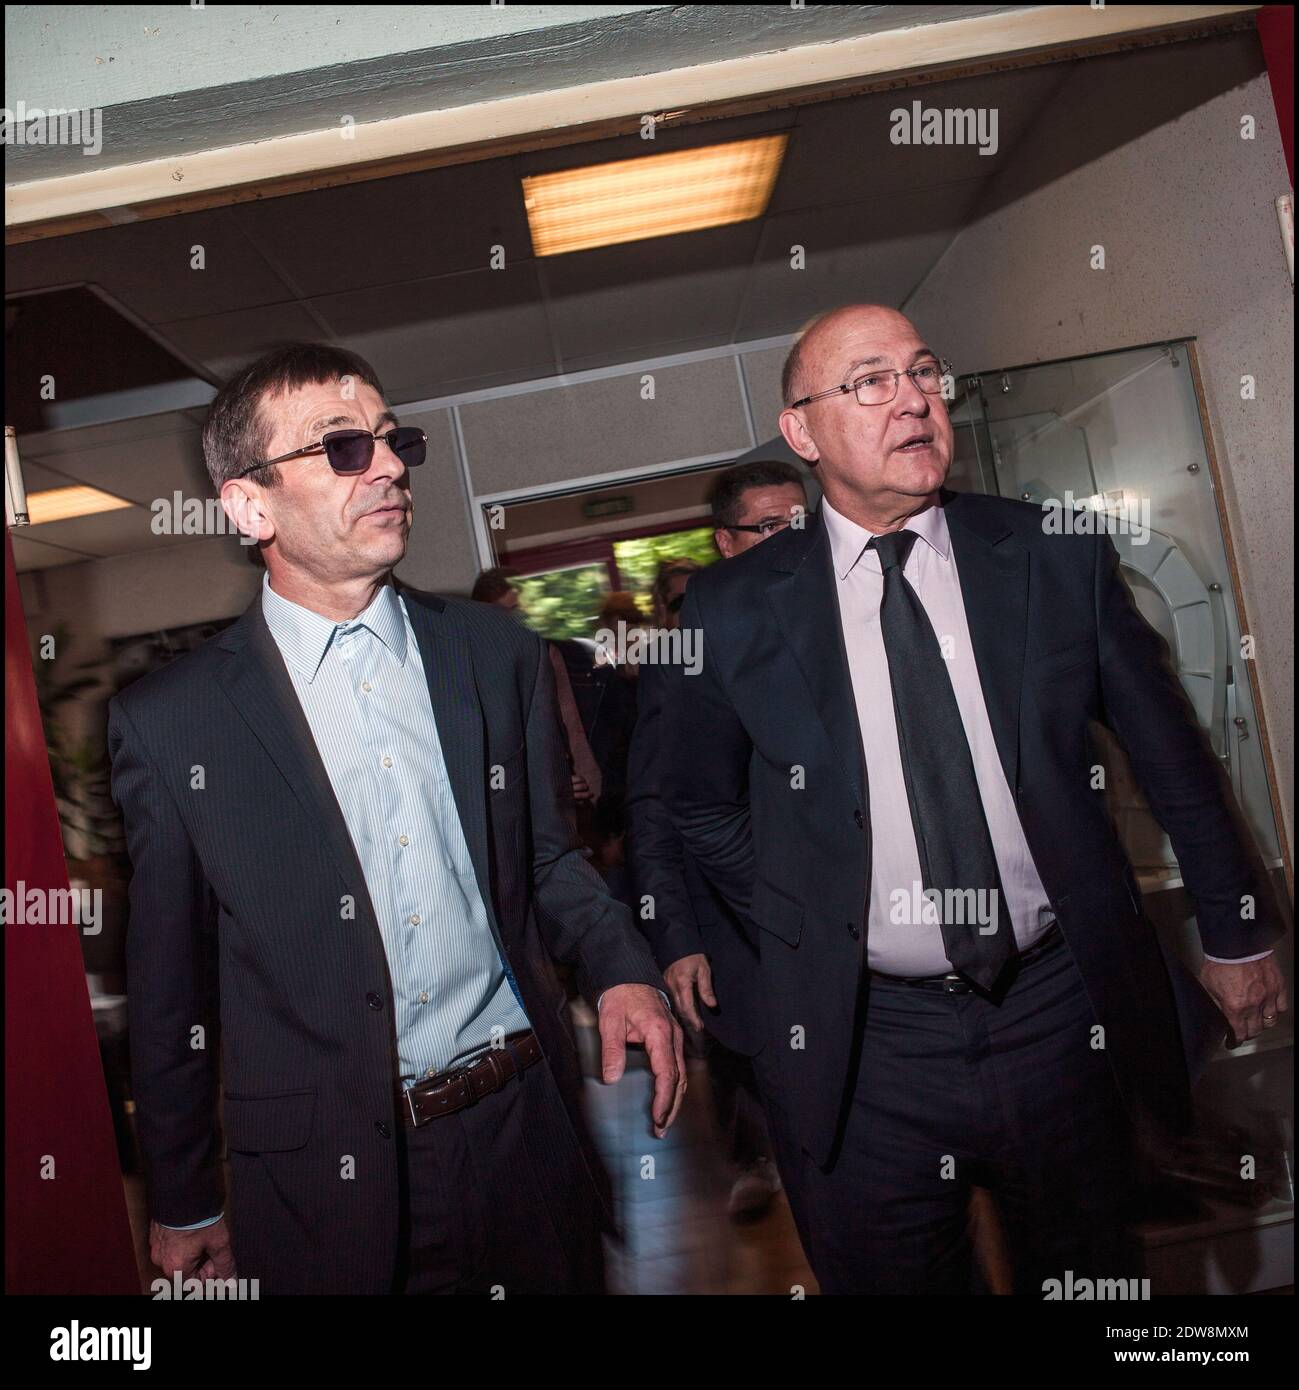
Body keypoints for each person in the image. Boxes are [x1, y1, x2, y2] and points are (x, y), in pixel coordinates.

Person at [662, 304, 1287, 1294]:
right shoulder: (735, 607)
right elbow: (693, 801)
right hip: (865, 1043)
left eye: (923, 372)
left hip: (1058, 1009)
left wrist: (1237, 924)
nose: (913, 398)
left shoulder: (1046, 552)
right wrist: (804, 911)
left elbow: (1173, 751)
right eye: (871, 381)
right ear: (801, 430)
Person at [109, 342, 683, 1295]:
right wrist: (183, 1200)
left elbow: (545, 861)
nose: (388, 466)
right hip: (323, 1184)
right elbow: (169, 987)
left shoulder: (493, 654)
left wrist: (624, 970)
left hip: (524, 1134)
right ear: (250, 505)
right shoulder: (174, 722)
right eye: (341, 448)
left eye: (391, 439)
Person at [627, 460, 808, 1218]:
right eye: (769, 527)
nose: (788, 543)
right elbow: (655, 808)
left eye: (800, 525)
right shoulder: (685, 655)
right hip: (745, 930)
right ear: (726, 543)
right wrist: (674, 937)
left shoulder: (856, 623)